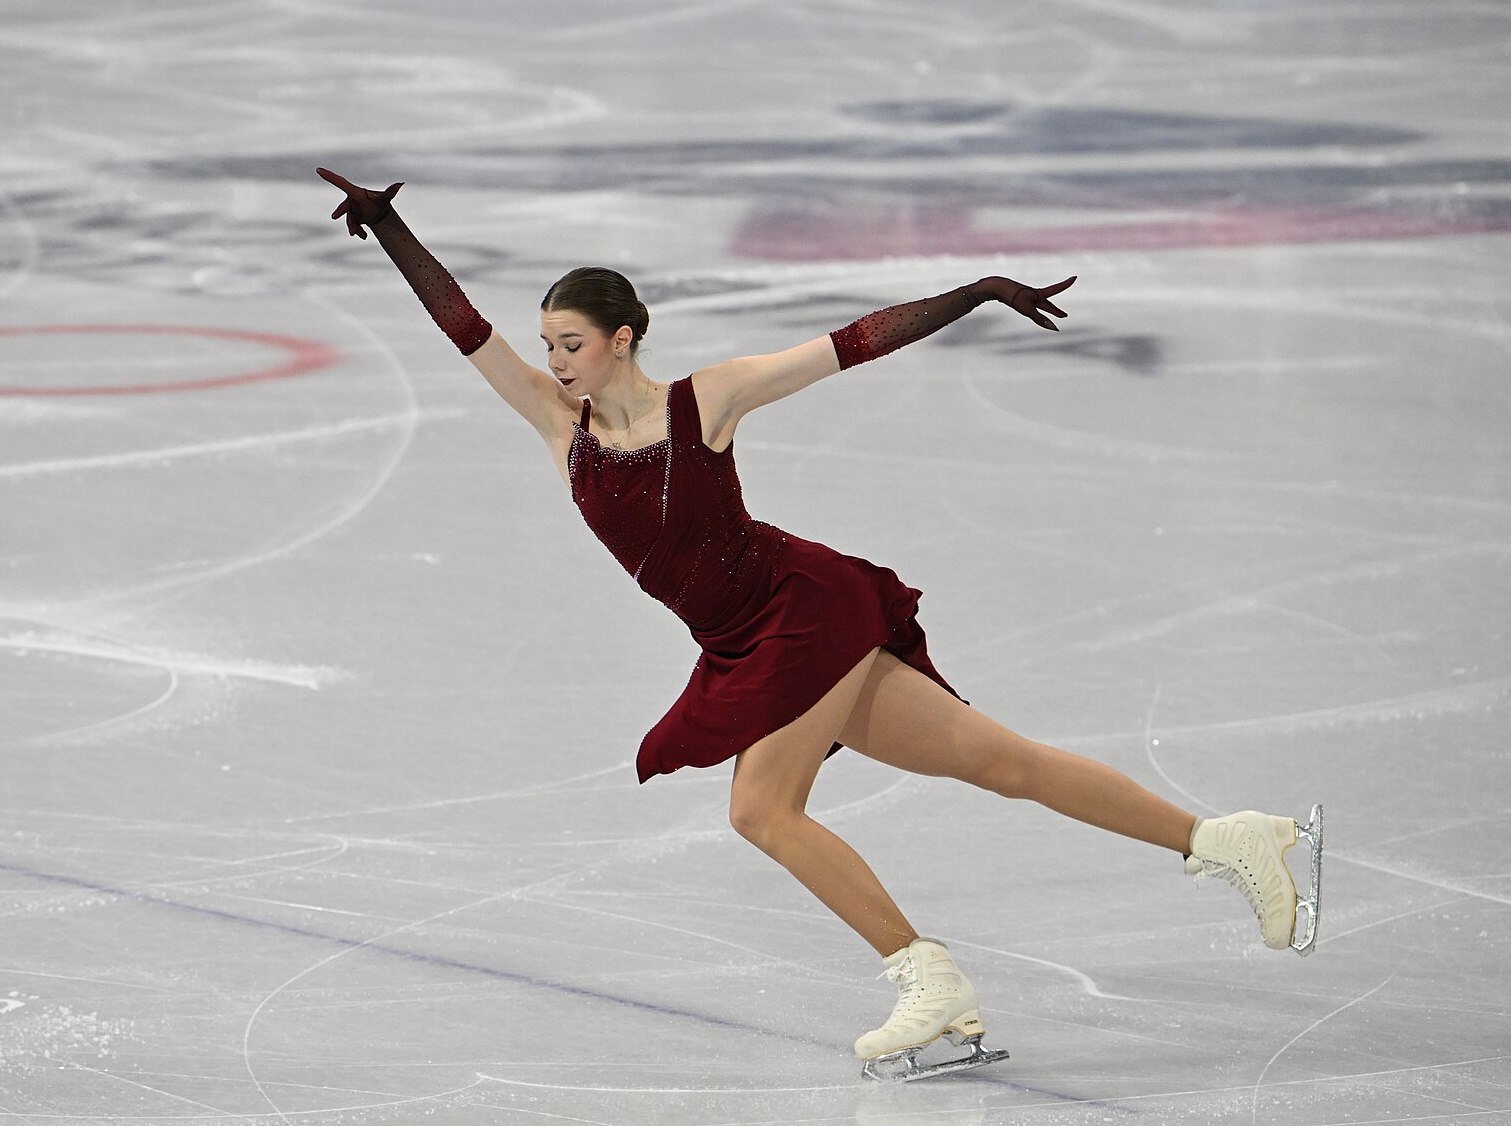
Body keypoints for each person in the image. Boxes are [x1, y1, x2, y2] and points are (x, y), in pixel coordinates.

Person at [316, 168, 1323, 1079]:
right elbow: (464, 327)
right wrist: (394, 228)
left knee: (760, 808)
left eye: (570, 342)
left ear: (622, 339)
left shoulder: (707, 401)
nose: (555, 360)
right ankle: (1229, 840)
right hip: (741, 643)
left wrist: (970, 294)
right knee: (996, 759)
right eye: (549, 346)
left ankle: (926, 979)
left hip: (800, 610)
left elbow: (851, 343)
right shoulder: (559, 427)